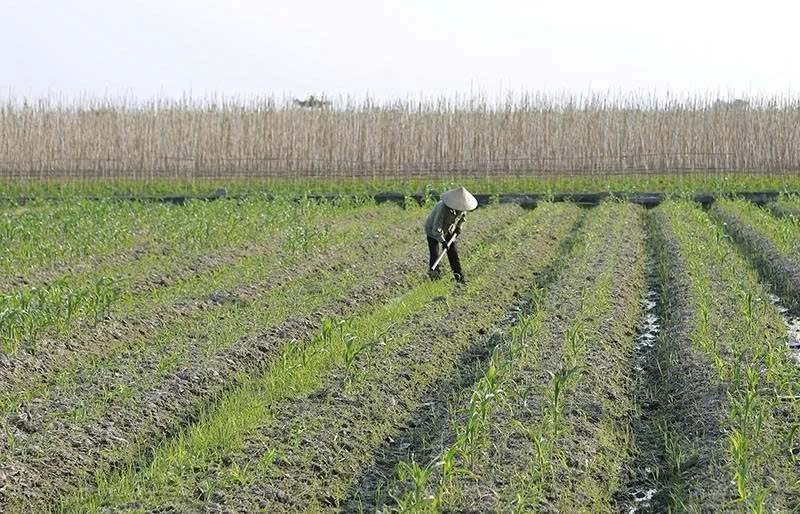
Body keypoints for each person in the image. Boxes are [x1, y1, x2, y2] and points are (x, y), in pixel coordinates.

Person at [424, 186, 478, 283]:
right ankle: (434, 276)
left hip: (449, 229)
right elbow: (436, 229)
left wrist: (458, 228)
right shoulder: (442, 208)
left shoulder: (462, 207)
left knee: (453, 253)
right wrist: (443, 241)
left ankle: (459, 277)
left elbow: (462, 218)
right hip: (433, 230)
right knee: (435, 253)